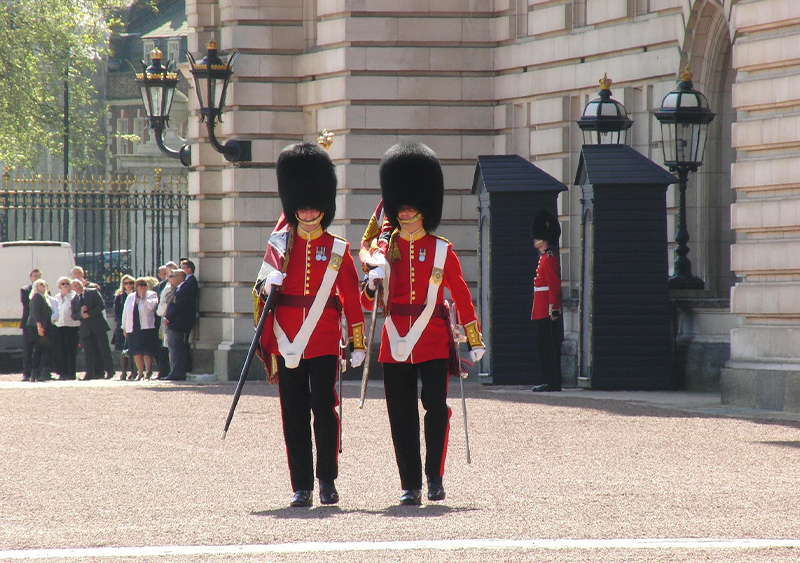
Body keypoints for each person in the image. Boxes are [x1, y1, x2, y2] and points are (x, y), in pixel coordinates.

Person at [361, 142, 485, 506]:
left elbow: (460, 294)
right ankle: (410, 483)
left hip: (431, 338)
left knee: (435, 408)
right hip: (395, 336)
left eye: (412, 204)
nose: (405, 209)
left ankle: (434, 476)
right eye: (401, 204)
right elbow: (365, 301)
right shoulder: (384, 250)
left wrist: (473, 337)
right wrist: (371, 280)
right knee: (400, 415)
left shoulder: (441, 249)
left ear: (424, 207)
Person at [254, 141, 366, 508]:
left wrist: (359, 342)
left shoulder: (337, 248)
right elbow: (262, 287)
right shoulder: (280, 246)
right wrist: (267, 282)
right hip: (287, 339)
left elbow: (350, 299)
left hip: (322, 340)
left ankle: (327, 480)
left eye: (313, 203)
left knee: (324, 410)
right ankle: (300, 485)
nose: (307, 210)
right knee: (294, 415)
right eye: (300, 204)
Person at [530, 210, 563, 393]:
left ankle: (553, 381)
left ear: (544, 238)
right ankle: (548, 380)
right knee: (543, 347)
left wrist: (554, 309)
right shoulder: (544, 257)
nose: (535, 240)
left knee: (549, 348)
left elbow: (554, 285)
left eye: (538, 237)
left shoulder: (549, 258)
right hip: (540, 309)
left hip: (547, 310)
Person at [70, 279, 115, 380]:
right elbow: (73, 315)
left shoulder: (93, 292)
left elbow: (101, 305)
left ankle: (110, 371)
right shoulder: (74, 300)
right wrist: (81, 314)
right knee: (88, 352)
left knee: (104, 349)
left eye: (78, 285)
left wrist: (89, 314)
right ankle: (89, 373)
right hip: (85, 328)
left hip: (98, 325)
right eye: (75, 286)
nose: (77, 287)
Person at [161, 269, 195, 381]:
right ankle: (175, 371)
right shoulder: (179, 288)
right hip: (175, 322)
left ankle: (177, 372)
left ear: (180, 277)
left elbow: (178, 306)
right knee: (173, 348)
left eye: (173, 276)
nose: (171, 278)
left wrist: (168, 318)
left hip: (178, 323)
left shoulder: (184, 288)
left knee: (176, 348)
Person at [122, 277, 160, 380]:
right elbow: (125, 312)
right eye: (139, 285)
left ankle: (148, 371)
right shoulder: (130, 296)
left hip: (147, 327)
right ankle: (140, 372)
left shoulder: (152, 295)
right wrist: (124, 327)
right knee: (136, 351)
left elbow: (152, 307)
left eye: (144, 285)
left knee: (147, 351)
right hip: (133, 327)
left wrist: (144, 298)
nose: (142, 287)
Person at [51, 276, 81, 380]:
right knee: (61, 350)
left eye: (67, 283)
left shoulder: (73, 296)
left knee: (70, 350)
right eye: (63, 284)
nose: (65, 285)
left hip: (71, 326)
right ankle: (62, 372)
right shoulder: (57, 297)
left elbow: (74, 308)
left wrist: (67, 294)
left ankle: (71, 373)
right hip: (59, 326)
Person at [26, 279, 54, 381]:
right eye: (41, 284)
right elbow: (35, 312)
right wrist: (39, 326)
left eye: (45, 284)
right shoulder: (37, 296)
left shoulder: (44, 297)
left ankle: (36, 372)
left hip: (41, 325)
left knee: (38, 349)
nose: (44, 286)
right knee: (48, 347)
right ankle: (44, 371)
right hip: (36, 326)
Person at [20, 269, 42, 382]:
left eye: (38, 276)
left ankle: (39, 372)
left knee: (40, 349)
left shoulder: (44, 289)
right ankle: (26, 373)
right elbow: (27, 305)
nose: (36, 278)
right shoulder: (25, 290)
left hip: (41, 324)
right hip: (29, 323)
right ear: (31, 277)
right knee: (28, 350)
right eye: (34, 276)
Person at [178, 258, 199, 372]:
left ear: (189, 269)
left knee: (184, 343)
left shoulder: (191, 282)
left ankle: (187, 366)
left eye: (183, 267)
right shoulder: (187, 281)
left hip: (186, 317)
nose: (182, 269)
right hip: (185, 317)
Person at [113, 275, 135, 380]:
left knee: (134, 350)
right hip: (123, 325)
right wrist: (123, 326)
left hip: (134, 326)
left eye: (131, 283)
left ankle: (134, 371)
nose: (129, 285)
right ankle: (123, 372)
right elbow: (117, 312)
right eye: (126, 283)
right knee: (123, 350)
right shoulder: (119, 296)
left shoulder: (136, 295)